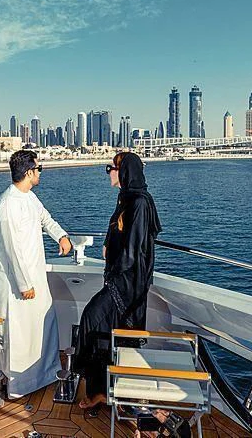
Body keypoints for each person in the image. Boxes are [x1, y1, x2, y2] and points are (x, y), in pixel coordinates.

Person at [74, 151, 162, 409]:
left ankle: (113, 392)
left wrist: (113, 272)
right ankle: (103, 392)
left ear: (124, 172)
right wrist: (106, 246)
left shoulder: (139, 202)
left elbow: (133, 250)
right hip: (117, 279)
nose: (108, 172)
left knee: (92, 317)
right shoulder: (126, 198)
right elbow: (119, 235)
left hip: (126, 284)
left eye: (110, 168)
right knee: (106, 333)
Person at [0, 150, 73, 398]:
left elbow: (46, 219)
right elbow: (12, 250)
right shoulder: (6, 205)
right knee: (19, 333)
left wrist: (61, 235)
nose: (40, 172)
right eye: (39, 169)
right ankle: (20, 385)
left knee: (43, 325)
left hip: (36, 276)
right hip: (17, 285)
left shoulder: (30, 198)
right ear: (29, 172)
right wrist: (24, 284)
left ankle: (46, 374)